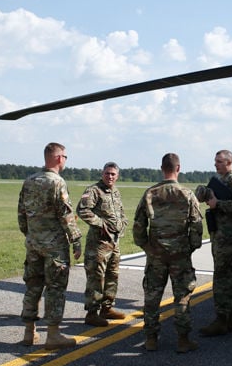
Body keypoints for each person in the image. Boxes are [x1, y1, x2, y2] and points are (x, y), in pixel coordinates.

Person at [133, 153, 204, 353]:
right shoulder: (187, 194)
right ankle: (182, 340)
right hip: (180, 255)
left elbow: (139, 225)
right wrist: (190, 246)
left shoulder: (150, 193)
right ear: (178, 168)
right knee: (182, 297)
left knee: (152, 297)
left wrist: (146, 246)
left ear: (162, 168)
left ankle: (151, 339)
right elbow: (196, 226)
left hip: (156, 254)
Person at [17, 142, 81, 350]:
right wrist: (76, 239)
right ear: (58, 158)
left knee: (33, 286)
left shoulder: (29, 181)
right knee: (55, 288)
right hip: (54, 246)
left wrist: (31, 235)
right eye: (64, 156)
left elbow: (21, 214)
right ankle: (53, 335)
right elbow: (65, 214)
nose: (65, 160)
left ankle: (29, 332)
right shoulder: (57, 182)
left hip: (34, 243)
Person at [77, 162, 128, 327]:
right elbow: (83, 210)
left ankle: (107, 308)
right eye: (107, 173)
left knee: (113, 275)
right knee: (96, 277)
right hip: (98, 243)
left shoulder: (116, 192)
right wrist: (101, 224)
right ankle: (92, 313)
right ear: (102, 174)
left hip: (114, 242)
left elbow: (120, 213)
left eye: (113, 174)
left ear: (117, 176)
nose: (110, 176)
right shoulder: (94, 190)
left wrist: (123, 225)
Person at [198, 149, 232, 336]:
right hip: (221, 236)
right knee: (229, 278)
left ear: (229, 163)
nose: (215, 164)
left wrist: (218, 204)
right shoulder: (220, 179)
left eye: (219, 161)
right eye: (215, 161)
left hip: (229, 239)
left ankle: (221, 320)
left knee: (222, 278)